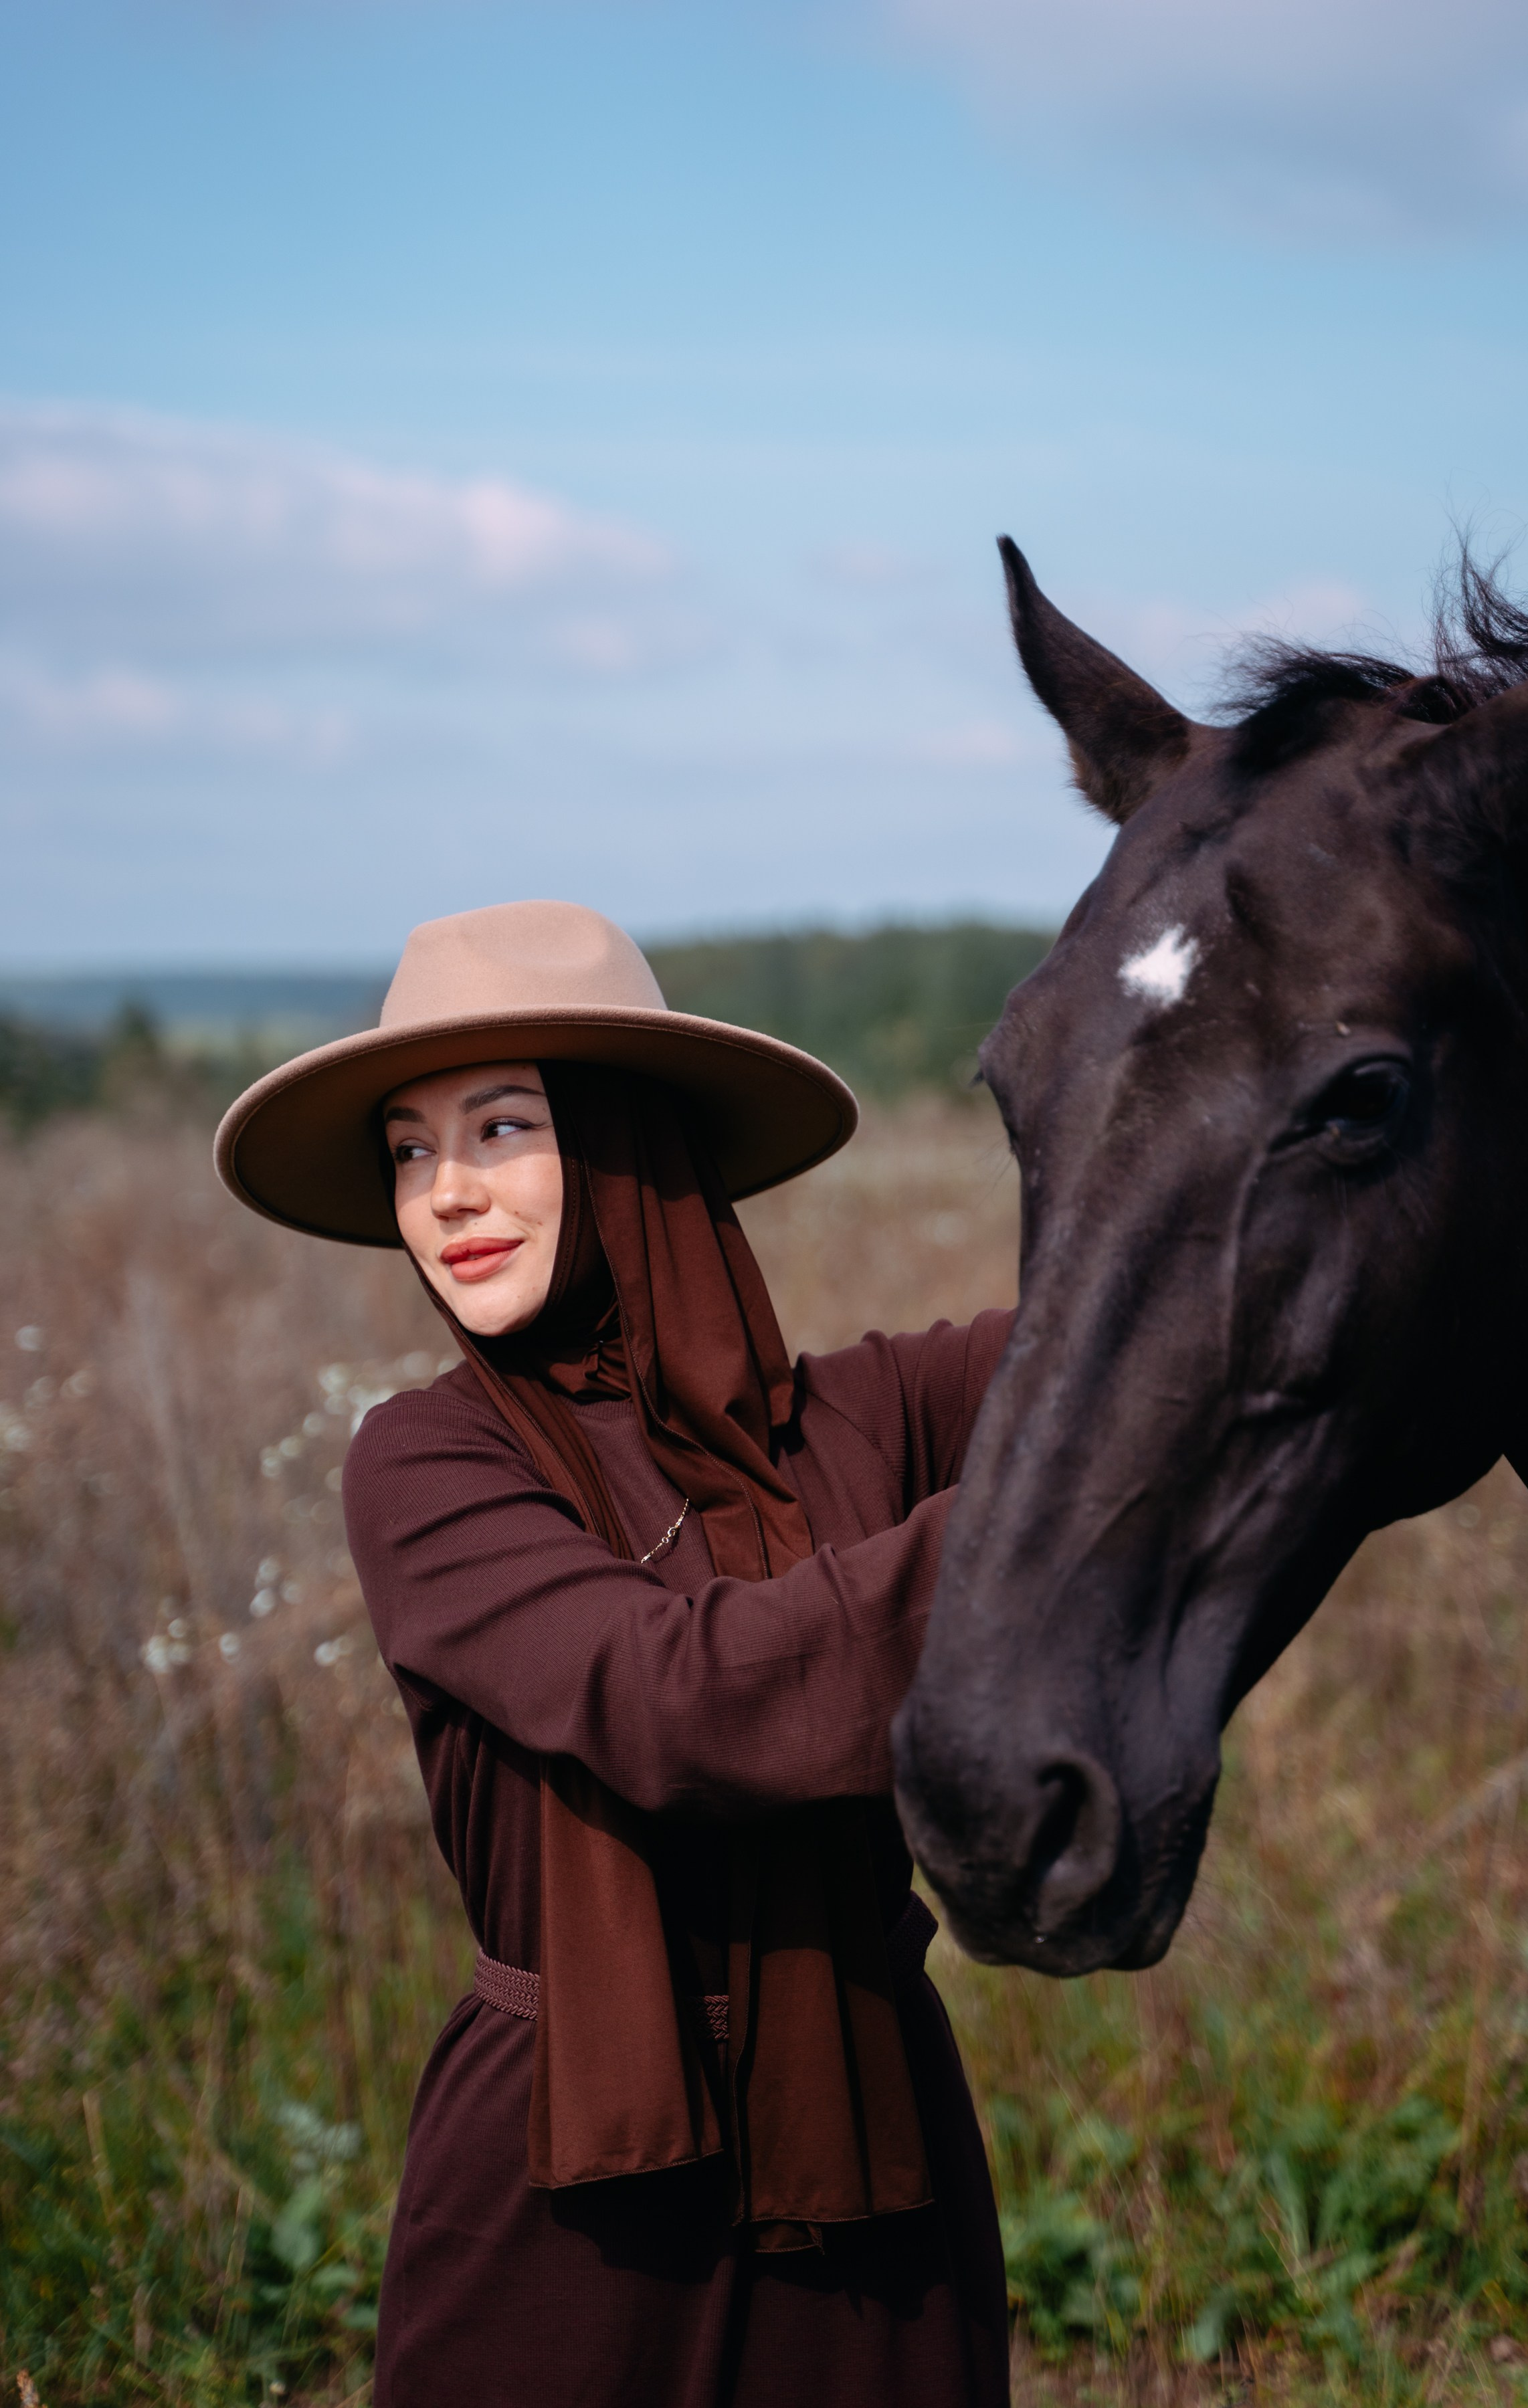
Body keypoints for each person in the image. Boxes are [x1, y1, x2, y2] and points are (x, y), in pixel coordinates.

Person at [215, 899, 1014, 2408]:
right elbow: (680, 1697)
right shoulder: (428, 1462)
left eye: (500, 1128)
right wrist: (1025, 1535)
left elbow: (1145, 1354)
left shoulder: (854, 1423)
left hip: (867, 2142)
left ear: (627, 1138)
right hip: (572, 2186)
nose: (446, 1194)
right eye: (409, 1148)